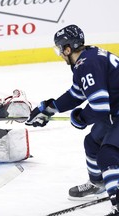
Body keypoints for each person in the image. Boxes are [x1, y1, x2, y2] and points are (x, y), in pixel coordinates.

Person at [25, 24, 119, 215]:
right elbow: (76, 94)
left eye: (59, 49)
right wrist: (49, 108)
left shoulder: (87, 64)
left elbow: (100, 108)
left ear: (68, 48)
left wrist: (80, 118)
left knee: (107, 155)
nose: (59, 54)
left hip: (113, 113)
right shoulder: (87, 59)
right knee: (92, 143)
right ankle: (97, 183)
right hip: (115, 112)